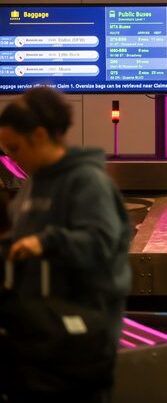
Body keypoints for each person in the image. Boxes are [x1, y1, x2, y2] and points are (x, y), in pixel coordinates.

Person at [0, 86, 131, 400]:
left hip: (80, 344)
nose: (11, 158)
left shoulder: (87, 182)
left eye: (15, 147)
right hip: (39, 341)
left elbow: (102, 243)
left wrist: (47, 242)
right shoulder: (33, 186)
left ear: (41, 136)